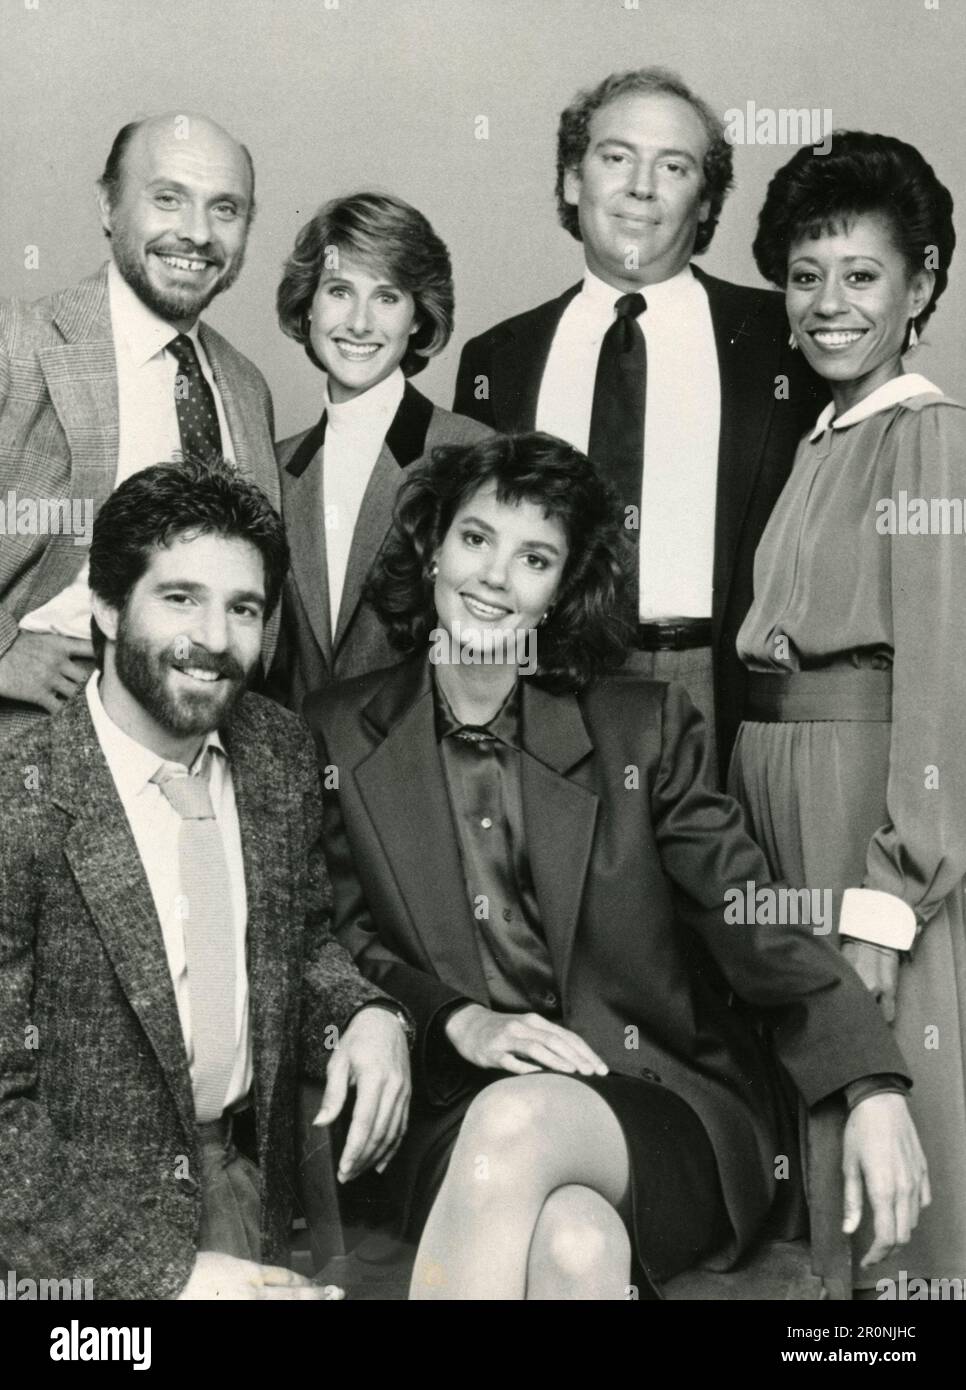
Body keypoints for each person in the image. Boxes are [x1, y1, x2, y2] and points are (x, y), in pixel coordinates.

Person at [305, 430, 927, 1301]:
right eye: (475, 539)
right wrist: (455, 1021)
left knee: (520, 1123)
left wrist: (871, 1083)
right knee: (574, 1245)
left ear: (562, 591)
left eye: (534, 558)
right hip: (449, 1105)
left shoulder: (642, 726)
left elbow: (748, 914)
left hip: (652, 1099)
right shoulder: (335, 731)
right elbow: (340, 939)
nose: (493, 576)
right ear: (434, 547)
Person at [0, 457, 412, 1300]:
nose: (216, 640)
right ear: (108, 609)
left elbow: (297, 945)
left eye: (244, 608)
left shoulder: (280, 753)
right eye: (180, 598)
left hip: (246, 1197)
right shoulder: (20, 799)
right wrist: (165, 1278)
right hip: (63, 1243)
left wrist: (367, 1015)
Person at [728, 131, 965, 1290]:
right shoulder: (824, 437)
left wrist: (890, 895)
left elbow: (944, 688)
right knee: (815, 1130)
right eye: (806, 274)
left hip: (865, 809)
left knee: (888, 1126)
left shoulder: (928, 437)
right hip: (777, 791)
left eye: (862, 276)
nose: (827, 304)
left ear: (920, 285)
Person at [453, 68, 826, 783]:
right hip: (541, 677)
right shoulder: (498, 358)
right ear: (572, 179)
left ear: (707, 198)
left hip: (717, 686)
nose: (641, 186)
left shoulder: (783, 341)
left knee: (717, 894)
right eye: (615, 157)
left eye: (675, 166)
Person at [0, 112, 279, 737]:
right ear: (107, 204)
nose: (197, 234)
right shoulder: (17, 343)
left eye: (225, 209)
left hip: (197, 743)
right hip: (27, 742)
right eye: (168, 199)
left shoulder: (245, 385)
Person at [270, 192, 489, 711]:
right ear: (307, 305)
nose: (361, 323)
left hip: (424, 774)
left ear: (417, 317)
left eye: (387, 297)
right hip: (295, 771)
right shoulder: (271, 467)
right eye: (340, 291)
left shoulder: (472, 454)